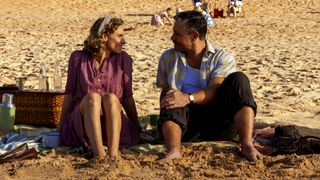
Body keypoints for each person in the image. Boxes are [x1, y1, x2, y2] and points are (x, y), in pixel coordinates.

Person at [156, 11, 262, 161]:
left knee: (239, 79)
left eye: (176, 34)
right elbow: (165, 92)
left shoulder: (222, 57)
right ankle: (174, 150)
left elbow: (215, 89)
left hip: (219, 121)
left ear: (194, 36)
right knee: (172, 96)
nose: (172, 38)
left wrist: (188, 97)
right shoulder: (168, 57)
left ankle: (247, 145)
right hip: (185, 126)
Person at [58, 16, 142, 159]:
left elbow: (127, 98)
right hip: (83, 124)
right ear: (104, 36)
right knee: (93, 98)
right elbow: (70, 96)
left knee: (110, 98)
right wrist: (60, 128)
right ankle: (99, 155)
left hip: (113, 124)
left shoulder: (123, 59)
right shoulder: (78, 58)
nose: (124, 41)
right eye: (120, 36)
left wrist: (137, 127)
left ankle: (113, 154)